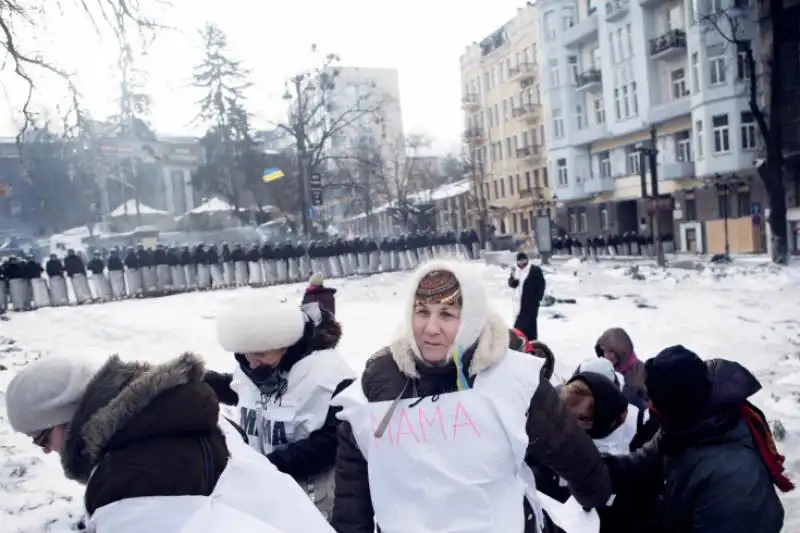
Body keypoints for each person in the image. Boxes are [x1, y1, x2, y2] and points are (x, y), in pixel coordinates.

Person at [331, 260, 611, 533]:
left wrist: (595, 499)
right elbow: (352, 492)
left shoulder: (511, 379)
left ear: (471, 318)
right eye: (422, 312)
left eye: (447, 314)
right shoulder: (380, 383)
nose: (431, 328)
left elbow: (572, 455)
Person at [5, 353, 336, 533]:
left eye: (41, 438)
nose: (47, 450)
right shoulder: (175, 413)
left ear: (69, 417)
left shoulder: (128, 477)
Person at [604, 345, 790, 533]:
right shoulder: (686, 427)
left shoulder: (731, 478)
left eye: (652, 400)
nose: (647, 406)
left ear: (673, 409)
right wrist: (598, 467)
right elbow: (643, 462)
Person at [207, 300, 355, 520]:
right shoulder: (252, 365)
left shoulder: (329, 376)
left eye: (263, 355)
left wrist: (270, 465)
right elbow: (242, 392)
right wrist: (201, 380)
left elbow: (333, 440)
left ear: (286, 347)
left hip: (318, 500)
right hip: (265, 492)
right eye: (249, 355)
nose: (254, 365)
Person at [594, 327, 647, 408]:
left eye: (611, 351)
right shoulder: (601, 371)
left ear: (623, 350)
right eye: (604, 350)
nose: (606, 356)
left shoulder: (643, 371)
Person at [508, 252, 545, 341]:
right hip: (518, 302)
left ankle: (531, 342)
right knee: (519, 324)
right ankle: (521, 341)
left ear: (527, 260)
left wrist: (538, 298)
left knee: (530, 324)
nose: (521, 262)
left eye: (523, 260)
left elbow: (541, 284)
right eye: (519, 261)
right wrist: (513, 282)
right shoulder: (515, 270)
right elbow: (511, 282)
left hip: (531, 302)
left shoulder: (534, 270)